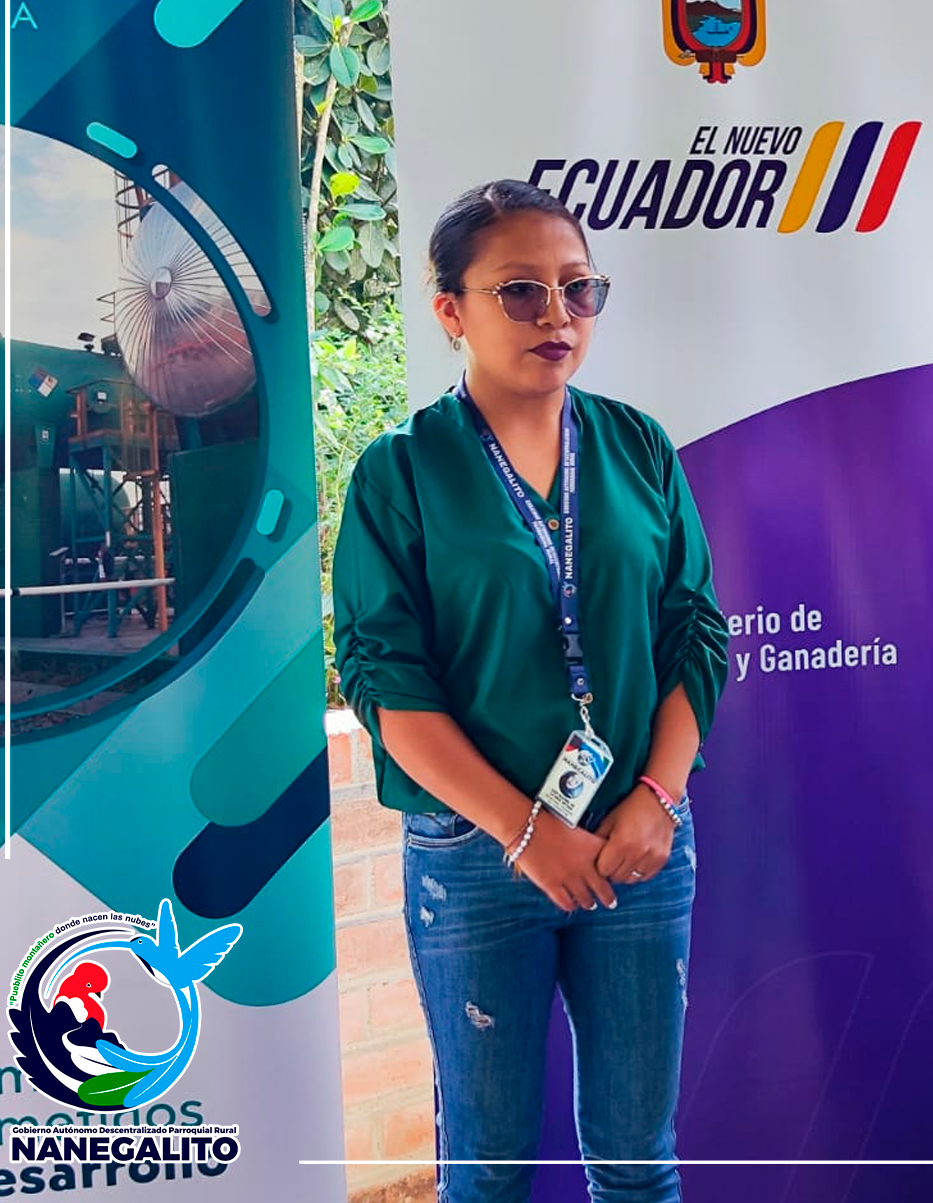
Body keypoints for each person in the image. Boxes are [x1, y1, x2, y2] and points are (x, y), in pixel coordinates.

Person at [333, 179, 730, 1203]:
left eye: (578, 288)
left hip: (637, 844)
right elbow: (384, 679)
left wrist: (659, 796)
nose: (557, 314)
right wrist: (524, 832)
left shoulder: (636, 446)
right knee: (488, 1167)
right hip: (475, 858)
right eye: (520, 291)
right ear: (450, 310)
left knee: (639, 1162)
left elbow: (694, 632)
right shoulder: (400, 473)